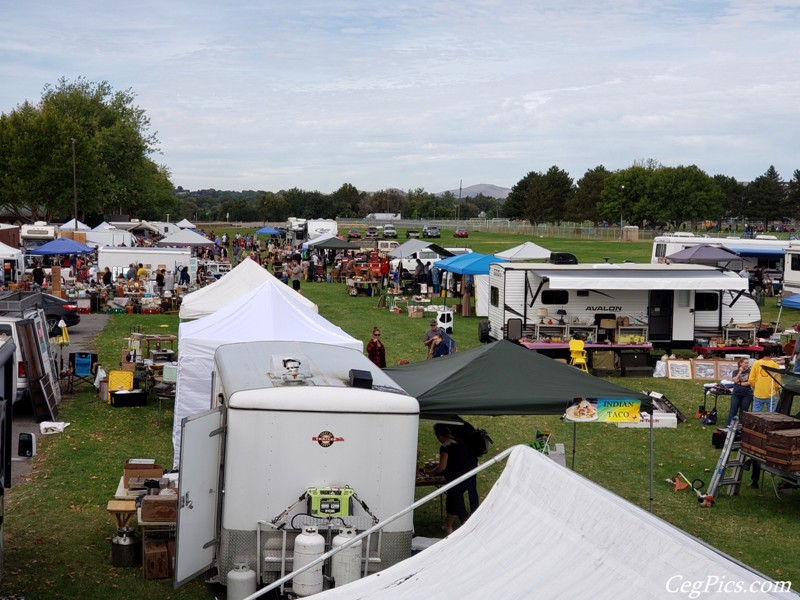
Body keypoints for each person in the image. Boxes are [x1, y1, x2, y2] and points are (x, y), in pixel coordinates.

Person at [425, 424, 470, 534]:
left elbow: (442, 467)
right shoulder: (460, 442)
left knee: (459, 506)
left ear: (440, 436)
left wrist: (430, 473)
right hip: (466, 477)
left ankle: (469, 529)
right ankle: (448, 526)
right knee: (451, 501)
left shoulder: (446, 446)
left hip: (455, 480)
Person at [748, 348, 780, 413]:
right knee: (772, 415)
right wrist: (775, 389)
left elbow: (751, 379)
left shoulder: (756, 363)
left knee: (756, 415)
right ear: (772, 354)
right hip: (771, 393)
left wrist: (756, 386)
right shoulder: (775, 365)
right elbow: (777, 381)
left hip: (758, 393)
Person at [727, 358, 753, 427]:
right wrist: (740, 372)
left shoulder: (750, 372)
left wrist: (740, 383)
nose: (747, 364)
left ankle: (742, 426)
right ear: (740, 363)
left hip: (747, 394)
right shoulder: (735, 371)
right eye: (745, 363)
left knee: (744, 411)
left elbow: (750, 383)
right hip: (736, 393)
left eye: (747, 363)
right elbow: (735, 380)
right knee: (733, 410)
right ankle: (729, 425)